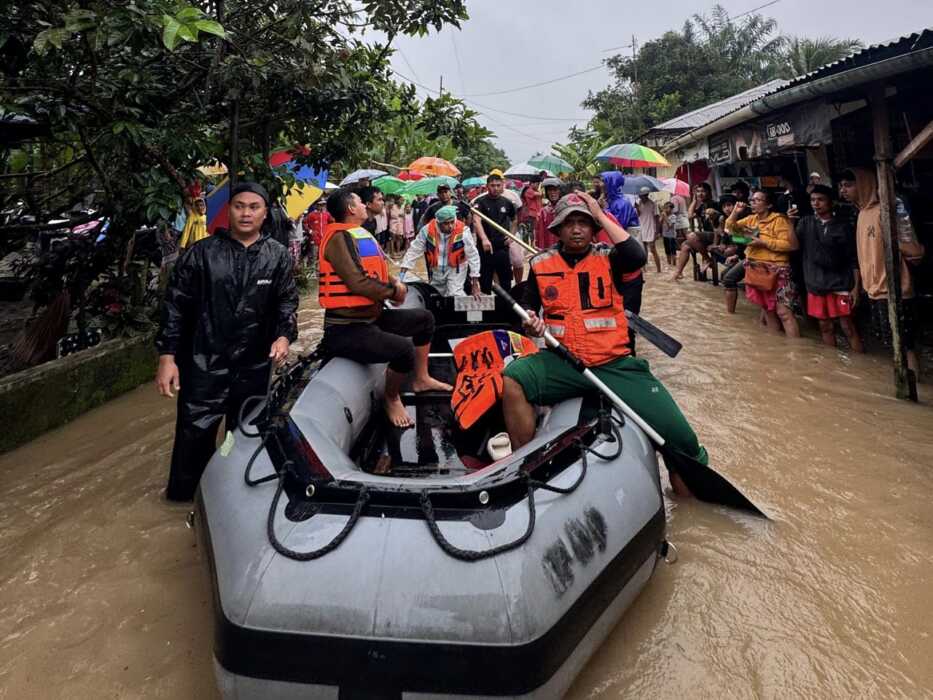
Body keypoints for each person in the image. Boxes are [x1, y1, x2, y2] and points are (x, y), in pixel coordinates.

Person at [501, 191, 708, 497]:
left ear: (593, 227)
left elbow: (637, 255)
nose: (576, 229)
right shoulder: (541, 264)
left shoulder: (610, 257)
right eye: (568, 223)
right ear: (556, 229)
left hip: (614, 364)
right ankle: (528, 464)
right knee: (513, 377)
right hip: (564, 361)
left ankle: (693, 497)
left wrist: (599, 213)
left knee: (683, 442)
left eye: (583, 223)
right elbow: (528, 310)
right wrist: (531, 321)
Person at [155, 182, 299, 502]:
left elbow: (286, 304)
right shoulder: (201, 253)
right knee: (193, 436)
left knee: (243, 437)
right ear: (229, 210)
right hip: (203, 364)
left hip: (254, 365)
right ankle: (183, 500)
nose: (245, 213)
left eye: (253, 207)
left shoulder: (277, 257)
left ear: (265, 213)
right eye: (239, 206)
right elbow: (175, 306)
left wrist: (283, 336)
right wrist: (167, 357)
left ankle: (232, 498)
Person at [318, 188, 451, 428]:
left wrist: (395, 283)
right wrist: (393, 292)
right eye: (360, 201)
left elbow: (374, 271)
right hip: (346, 328)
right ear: (350, 209)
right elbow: (357, 282)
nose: (364, 205)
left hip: (372, 317)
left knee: (425, 319)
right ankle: (391, 397)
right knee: (403, 351)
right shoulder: (339, 238)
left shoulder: (359, 234)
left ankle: (421, 379)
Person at [847, 167, 925, 376]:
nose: (843, 190)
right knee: (892, 343)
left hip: (896, 288)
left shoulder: (888, 210)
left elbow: (914, 250)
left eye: (848, 185)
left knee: (906, 346)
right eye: (841, 186)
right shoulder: (862, 213)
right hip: (874, 288)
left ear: (863, 185)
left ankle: (915, 385)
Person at [795, 185, 863, 351]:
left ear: (831, 202)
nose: (816, 203)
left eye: (820, 200)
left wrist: (856, 288)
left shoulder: (843, 227)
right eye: (812, 200)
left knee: (848, 326)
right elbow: (793, 246)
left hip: (840, 283)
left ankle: (860, 359)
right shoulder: (805, 223)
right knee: (825, 326)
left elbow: (854, 258)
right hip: (816, 283)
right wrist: (790, 222)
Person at [725, 190, 800, 337]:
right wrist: (735, 212)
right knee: (767, 309)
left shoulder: (779, 220)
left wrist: (764, 243)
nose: (753, 203)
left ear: (769, 204)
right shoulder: (751, 220)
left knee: (784, 312)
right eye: (752, 200)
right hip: (756, 269)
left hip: (777, 270)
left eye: (758, 200)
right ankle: (776, 347)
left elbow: (789, 245)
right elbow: (729, 229)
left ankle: (795, 348)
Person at [399, 205, 481, 298]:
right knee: (437, 295)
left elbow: (473, 256)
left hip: (456, 269)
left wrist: (475, 283)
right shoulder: (426, 230)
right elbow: (414, 250)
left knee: (454, 294)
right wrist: (402, 274)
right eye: (446, 223)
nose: (450, 226)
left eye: (452, 222)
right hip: (436, 269)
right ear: (438, 223)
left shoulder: (464, 231)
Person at [471, 173, 518, 293]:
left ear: (502, 185)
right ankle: (487, 308)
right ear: (487, 186)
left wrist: (511, 236)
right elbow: (476, 220)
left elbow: (515, 220)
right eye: (492, 185)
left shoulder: (507, 202)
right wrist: (484, 239)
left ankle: (505, 307)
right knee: (485, 281)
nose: (495, 188)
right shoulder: (480, 202)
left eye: (498, 185)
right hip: (485, 247)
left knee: (506, 281)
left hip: (502, 246)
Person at [670, 182, 719, 281]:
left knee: (691, 236)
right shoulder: (701, 206)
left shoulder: (714, 204)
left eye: (703, 191)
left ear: (709, 192)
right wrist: (694, 201)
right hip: (705, 236)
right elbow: (690, 215)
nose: (700, 194)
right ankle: (678, 273)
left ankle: (707, 259)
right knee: (685, 246)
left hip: (715, 235)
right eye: (698, 192)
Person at [635, 186, 661, 273]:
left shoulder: (653, 204)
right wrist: (636, 208)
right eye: (639, 195)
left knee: (653, 249)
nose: (640, 197)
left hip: (650, 228)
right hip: (641, 228)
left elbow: (657, 219)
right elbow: (638, 216)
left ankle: (659, 270)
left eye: (642, 195)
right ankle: (644, 269)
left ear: (646, 195)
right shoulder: (638, 204)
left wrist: (657, 232)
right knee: (643, 249)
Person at [303, 198, 332, 268]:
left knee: (322, 257)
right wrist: (310, 231)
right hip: (314, 239)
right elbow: (304, 222)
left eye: (324, 205)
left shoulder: (327, 214)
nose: (322, 206)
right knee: (313, 256)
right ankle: (310, 274)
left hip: (324, 239)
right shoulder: (312, 214)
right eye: (321, 205)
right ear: (317, 205)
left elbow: (332, 222)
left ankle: (319, 272)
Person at [535, 177, 563, 249]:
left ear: (560, 191)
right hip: (548, 246)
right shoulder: (543, 211)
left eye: (555, 190)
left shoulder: (565, 208)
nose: (552, 193)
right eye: (550, 190)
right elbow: (540, 232)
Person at [359, 186, 389, 251]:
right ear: (368, 204)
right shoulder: (360, 225)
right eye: (379, 200)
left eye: (382, 200)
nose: (383, 203)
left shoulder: (374, 220)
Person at [660, 201, 678, 266]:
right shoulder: (664, 215)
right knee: (667, 250)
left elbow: (670, 226)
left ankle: (674, 264)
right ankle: (669, 263)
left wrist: (665, 217)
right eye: (665, 208)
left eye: (668, 208)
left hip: (672, 236)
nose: (666, 209)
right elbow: (660, 223)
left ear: (671, 209)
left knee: (673, 250)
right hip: (665, 235)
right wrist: (662, 218)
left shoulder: (673, 216)